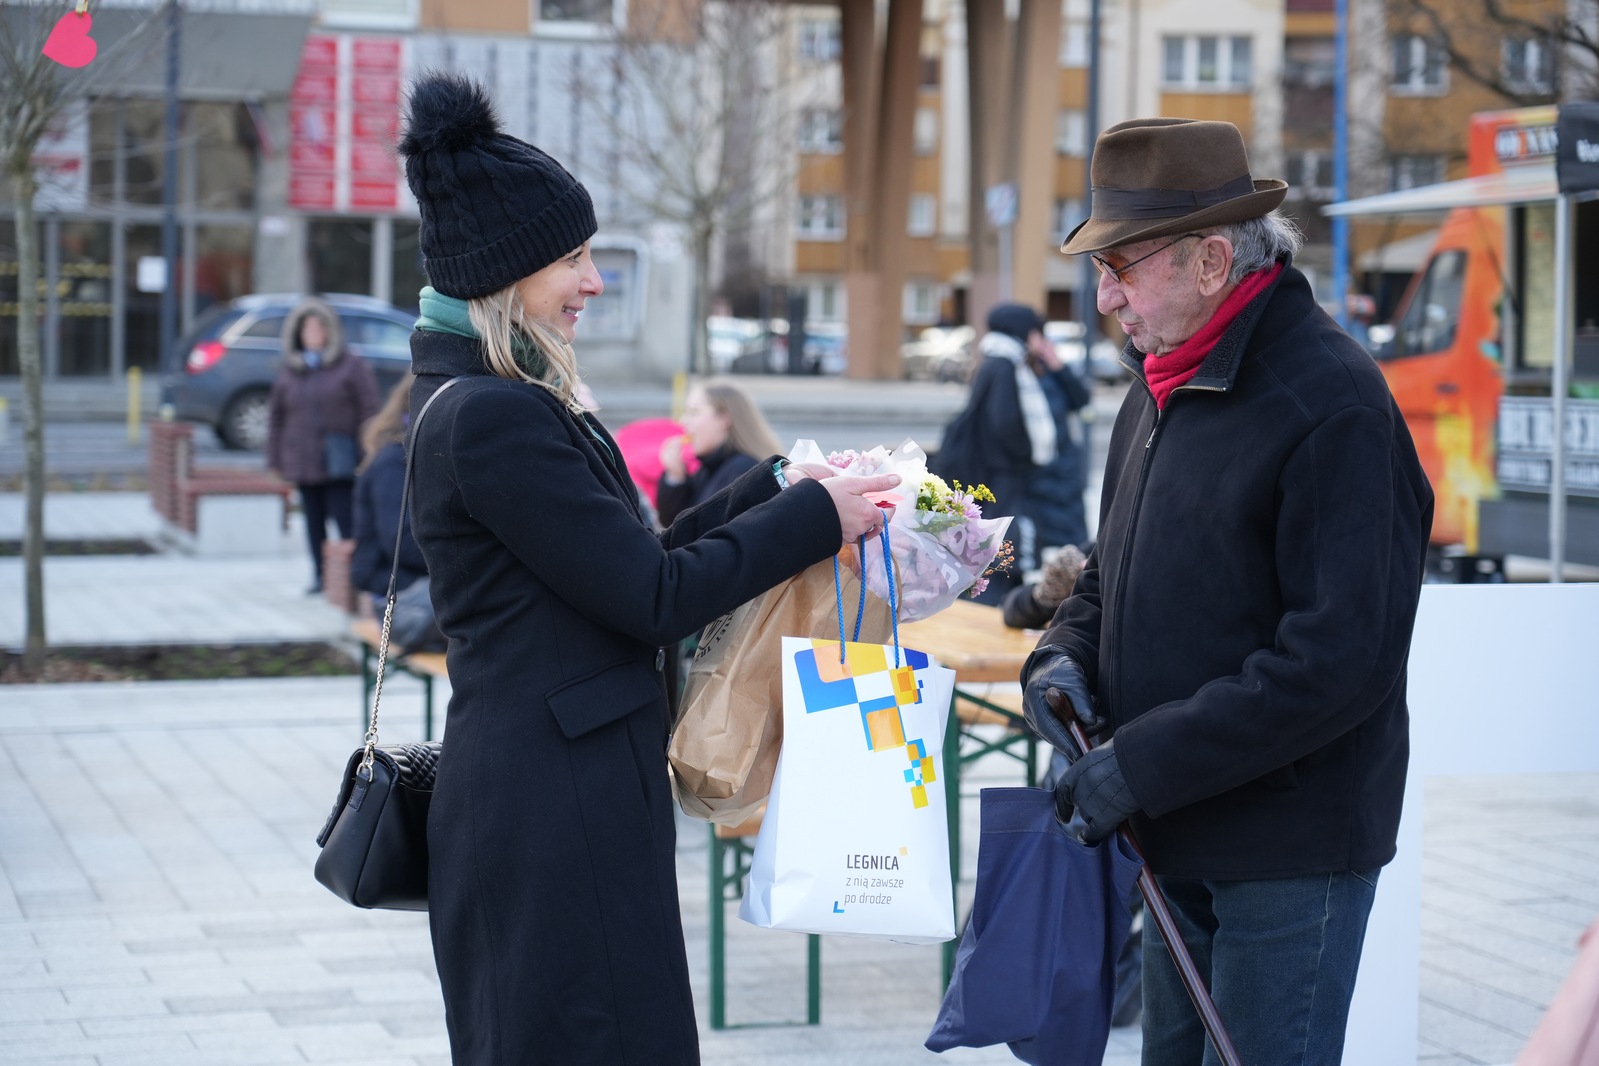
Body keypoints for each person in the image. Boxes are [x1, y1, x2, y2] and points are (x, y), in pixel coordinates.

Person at [394, 72, 899, 1065]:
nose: (593, 281)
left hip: (569, 790)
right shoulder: (492, 415)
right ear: (506, 273)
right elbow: (652, 597)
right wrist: (813, 518)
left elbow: (635, 559)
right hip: (549, 806)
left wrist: (776, 486)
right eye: (572, 259)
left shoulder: (505, 398)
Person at [1020, 118, 1434, 1065]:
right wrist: (1060, 656)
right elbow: (1110, 570)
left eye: (1120, 267)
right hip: (1174, 826)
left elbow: (1338, 661)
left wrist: (1143, 762)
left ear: (1210, 261)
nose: (1103, 297)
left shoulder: (1331, 401)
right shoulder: (1159, 382)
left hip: (1286, 848)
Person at [930, 302, 1075, 603]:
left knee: (995, 537)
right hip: (1000, 472)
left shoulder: (995, 360)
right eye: (1034, 332)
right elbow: (1004, 420)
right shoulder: (1006, 365)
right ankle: (996, 601)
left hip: (991, 469)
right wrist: (1024, 453)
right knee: (1003, 538)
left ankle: (995, 596)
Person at [266, 297, 381, 594]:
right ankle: (320, 576)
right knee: (313, 522)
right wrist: (275, 458)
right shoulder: (291, 370)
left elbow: (369, 410)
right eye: (308, 329)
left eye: (319, 328)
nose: (313, 334)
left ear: (330, 331)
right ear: (298, 334)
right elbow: (276, 417)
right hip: (303, 460)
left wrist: (367, 450)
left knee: (346, 521)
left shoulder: (351, 365)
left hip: (340, 460)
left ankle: (355, 578)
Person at [655, 379, 784, 527]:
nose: (683, 421)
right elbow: (676, 523)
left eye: (694, 412)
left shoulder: (742, 470)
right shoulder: (708, 468)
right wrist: (675, 477)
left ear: (724, 419)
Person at [349, 372, 425, 618]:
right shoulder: (393, 460)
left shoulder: (409, 451)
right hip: (392, 582)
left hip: (410, 577)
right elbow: (401, 543)